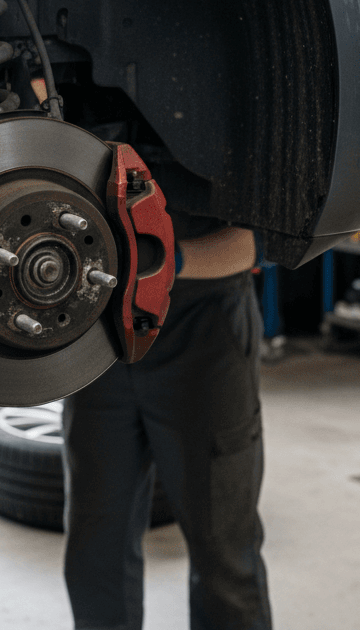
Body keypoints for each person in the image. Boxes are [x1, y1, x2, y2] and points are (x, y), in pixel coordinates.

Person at [62, 221, 271, 630]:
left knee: (225, 558)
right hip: (100, 329)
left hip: (205, 328)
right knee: (96, 550)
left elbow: (264, 239)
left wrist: (169, 261)